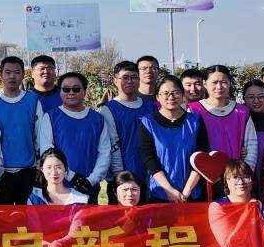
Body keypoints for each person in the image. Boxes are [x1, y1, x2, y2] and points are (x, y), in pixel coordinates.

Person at [37, 72, 112, 203]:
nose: (71, 93)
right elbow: (47, 152)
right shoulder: (50, 117)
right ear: (60, 92)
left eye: (76, 89)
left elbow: (105, 152)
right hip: (58, 189)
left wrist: (91, 180)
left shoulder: (97, 119)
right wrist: (71, 176)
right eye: (66, 89)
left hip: (89, 188)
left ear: (84, 92)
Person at [139, 75, 211, 202]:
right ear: (158, 97)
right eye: (165, 93)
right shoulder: (148, 123)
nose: (171, 97)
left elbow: (201, 156)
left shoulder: (195, 121)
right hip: (160, 193)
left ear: (182, 95)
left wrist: (187, 189)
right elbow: (149, 159)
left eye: (175, 93)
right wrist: (169, 189)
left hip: (191, 193)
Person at [189, 65, 258, 197]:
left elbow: (252, 146)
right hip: (202, 181)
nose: (219, 86)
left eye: (224, 82)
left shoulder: (242, 111)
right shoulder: (193, 110)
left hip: (237, 183)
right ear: (205, 84)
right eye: (214, 82)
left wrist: (241, 177)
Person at [0, 56, 42, 204]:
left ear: (23, 75)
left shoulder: (33, 99)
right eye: (8, 72)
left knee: (27, 215)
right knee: (3, 215)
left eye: (17, 72)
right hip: (0, 171)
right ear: (0, 75)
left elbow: (39, 135)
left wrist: (40, 165)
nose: (12, 76)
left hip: (27, 169)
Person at [101, 61, 152, 204]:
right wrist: (120, 177)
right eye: (125, 77)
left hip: (149, 175)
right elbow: (112, 144)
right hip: (122, 178)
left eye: (134, 77)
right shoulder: (108, 109)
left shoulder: (150, 106)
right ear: (115, 81)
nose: (130, 81)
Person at [241, 78, 264, 190]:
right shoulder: (238, 123)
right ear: (244, 100)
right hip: (243, 184)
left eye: (261, 96)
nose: (256, 101)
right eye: (251, 97)